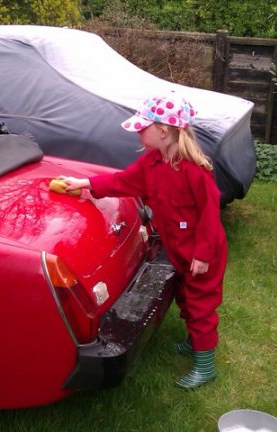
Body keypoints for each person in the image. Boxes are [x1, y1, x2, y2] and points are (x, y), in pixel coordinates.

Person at [59, 93, 228, 389]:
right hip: (177, 249)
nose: (138, 132)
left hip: (203, 253)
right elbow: (123, 181)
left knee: (201, 304)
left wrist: (202, 255)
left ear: (163, 131)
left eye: (142, 127)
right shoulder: (152, 162)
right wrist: (86, 184)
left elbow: (210, 218)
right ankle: (194, 342)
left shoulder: (194, 172)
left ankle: (205, 365)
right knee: (186, 297)